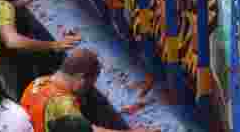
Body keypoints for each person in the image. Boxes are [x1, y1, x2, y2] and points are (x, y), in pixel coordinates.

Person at [21, 49, 156, 132]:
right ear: (81, 78)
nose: (87, 89)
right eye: (89, 84)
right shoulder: (62, 105)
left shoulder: (37, 83)